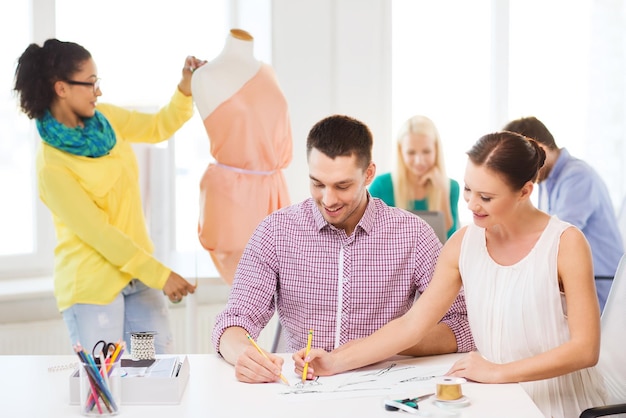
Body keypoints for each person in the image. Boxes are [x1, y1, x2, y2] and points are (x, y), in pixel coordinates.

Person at [294, 131, 607, 418]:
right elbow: (411, 325)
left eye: (486, 197)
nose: (471, 204)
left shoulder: (566, 243)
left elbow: (585, 349)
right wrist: (335, 362)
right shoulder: (463, 244)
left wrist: (498, 371)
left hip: (557, 404)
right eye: (468, 189)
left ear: (525, 191)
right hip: (495, 399)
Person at [212, 114, 474, 384]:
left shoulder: (413, 234)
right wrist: (242, 354)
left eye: (342, 186)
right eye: (317, 183)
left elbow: (463, 325)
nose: (328, 199)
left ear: (369, 173)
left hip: (382, 388)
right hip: (300, 387)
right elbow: (234, 320)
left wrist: (387, 343)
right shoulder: (275, 231)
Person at [13, 38, 204, 354]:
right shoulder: (51, 165)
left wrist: (185, 88)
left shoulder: (107, 122)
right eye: (90, 83)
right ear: (61, 88)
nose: (98, 91)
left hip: (139, 278)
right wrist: (161, 273)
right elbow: (99, 233)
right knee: (106, 381)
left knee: (153, 370)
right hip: (93, 290)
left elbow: (158, 126)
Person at [192, 28, 292, 285]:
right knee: (245, 296)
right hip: (234, 198)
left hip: (274, 193)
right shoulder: (206, 76)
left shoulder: (268, 71)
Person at [503, 116, 624, 311]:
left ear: (539, 148)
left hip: (602, 286)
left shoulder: (578, 176)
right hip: (578, 281)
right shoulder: (545, 180)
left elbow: (557, 236)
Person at [368, 115, 459, 239]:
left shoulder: (451, 187)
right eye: (411, 152)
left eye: (426, 151)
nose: (419, 161)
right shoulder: (381, 185)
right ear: (401, 152)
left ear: (436, 150)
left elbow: (448, 238)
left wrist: (442, 191)